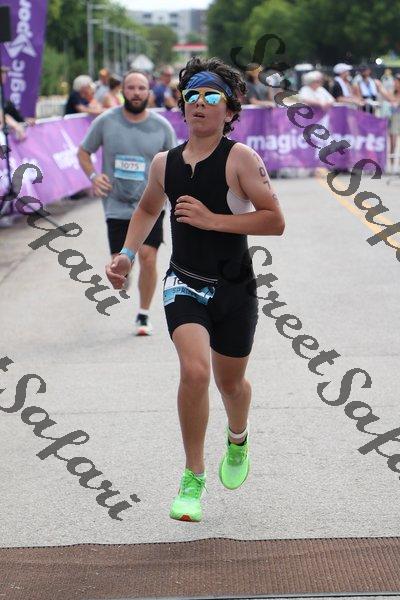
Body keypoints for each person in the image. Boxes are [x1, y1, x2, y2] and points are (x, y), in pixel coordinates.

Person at [105, 57, 285, 522]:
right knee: (195, 372)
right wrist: (126, 255)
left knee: (231, 383)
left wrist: (212, 220)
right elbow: (148, 209)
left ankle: (238, 438)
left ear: (230, 110)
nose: (199, 104)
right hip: (184, 282)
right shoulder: (164, 163)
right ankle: (192, 476)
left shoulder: (241, 159)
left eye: (211, 96)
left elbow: (275, 220)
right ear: (182, 106)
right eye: (192, 96)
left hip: (235, 288)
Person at [78, 70, 177, 335]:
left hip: (150, 204)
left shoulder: (161, 127)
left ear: (149, 92)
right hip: (117, 204)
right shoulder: (106, 121)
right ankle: (125, 269)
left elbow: (174, 163)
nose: (136, 92)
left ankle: (143, 314)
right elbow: (83, 151)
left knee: (148, 256)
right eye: (131, 87)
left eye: (141, 88)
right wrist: (93, 176)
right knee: (119, 270)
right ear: (123, 91)